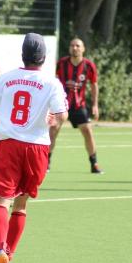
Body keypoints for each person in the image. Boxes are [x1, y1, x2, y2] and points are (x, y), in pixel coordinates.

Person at [0, 33, 68, 263]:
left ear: (23, 55)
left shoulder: (7, 78)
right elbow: (61, 116)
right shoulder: (52, 83)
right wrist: (52, 122)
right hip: (37, 148)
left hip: (8, 144)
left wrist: (6, 112)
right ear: (44, 58)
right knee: (21, 204)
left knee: (1, 202)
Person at [48, 37, 103, 173]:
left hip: (79, 106)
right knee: (53, 131)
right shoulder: (61, 64)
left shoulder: (89, 65)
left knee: (88, 131)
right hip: (61, 105)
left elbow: (94, 84)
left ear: (83, 48)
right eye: (72, 45)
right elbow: (53, 82)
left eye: (78, 46)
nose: (75, 48)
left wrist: (95, 105)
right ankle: (46, 162)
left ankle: (94, 163)